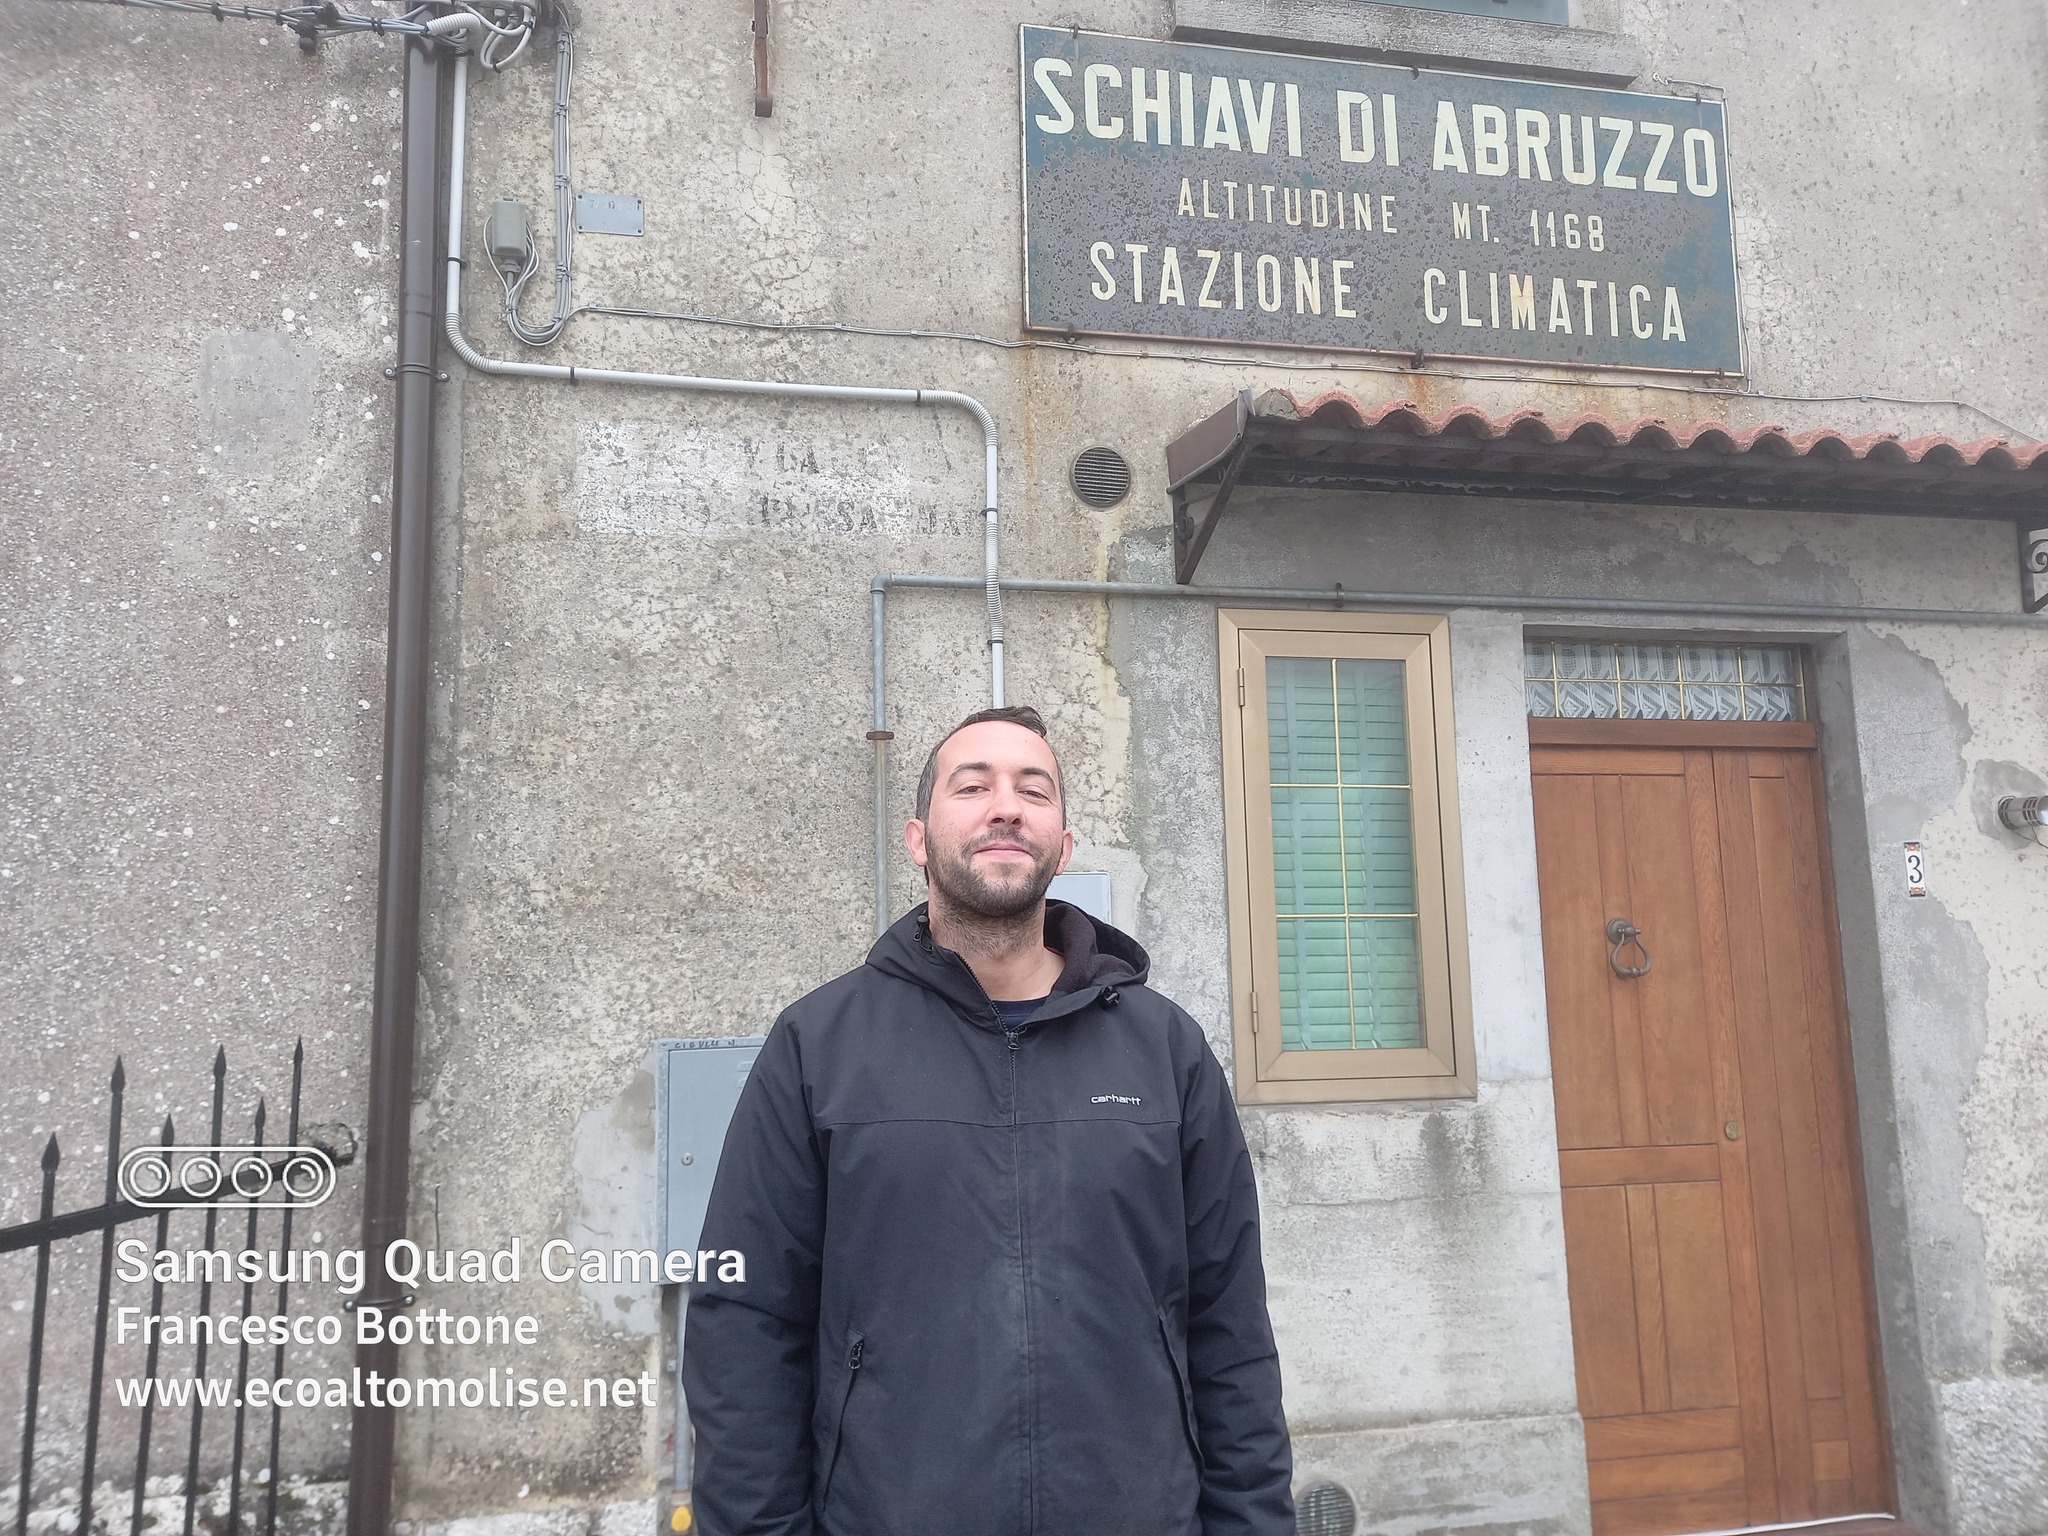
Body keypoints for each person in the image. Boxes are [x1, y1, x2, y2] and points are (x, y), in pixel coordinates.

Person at [683, 705, 1293, 1536]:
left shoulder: (1166, 1050)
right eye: (972, 787)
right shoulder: (819, 1045)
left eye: (1033, 791)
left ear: (1063, 846)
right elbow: (746, 1322)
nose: (1006, 807)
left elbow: (1231, 1326)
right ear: (917, 838)